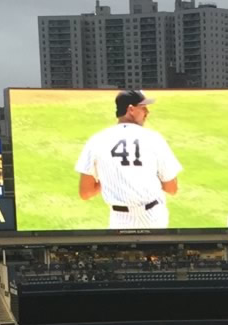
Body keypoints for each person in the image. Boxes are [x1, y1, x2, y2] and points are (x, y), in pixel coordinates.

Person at [75, 91, 181, 230]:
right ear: (131, 109)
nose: (147, 112)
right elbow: (172, 188)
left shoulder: (97, 140)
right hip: (153, 218)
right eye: (143, 107)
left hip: (119, 221)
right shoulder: (153, 138)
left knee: (121, 252)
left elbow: (86, 192)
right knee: (157, 252)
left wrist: (110, 179)